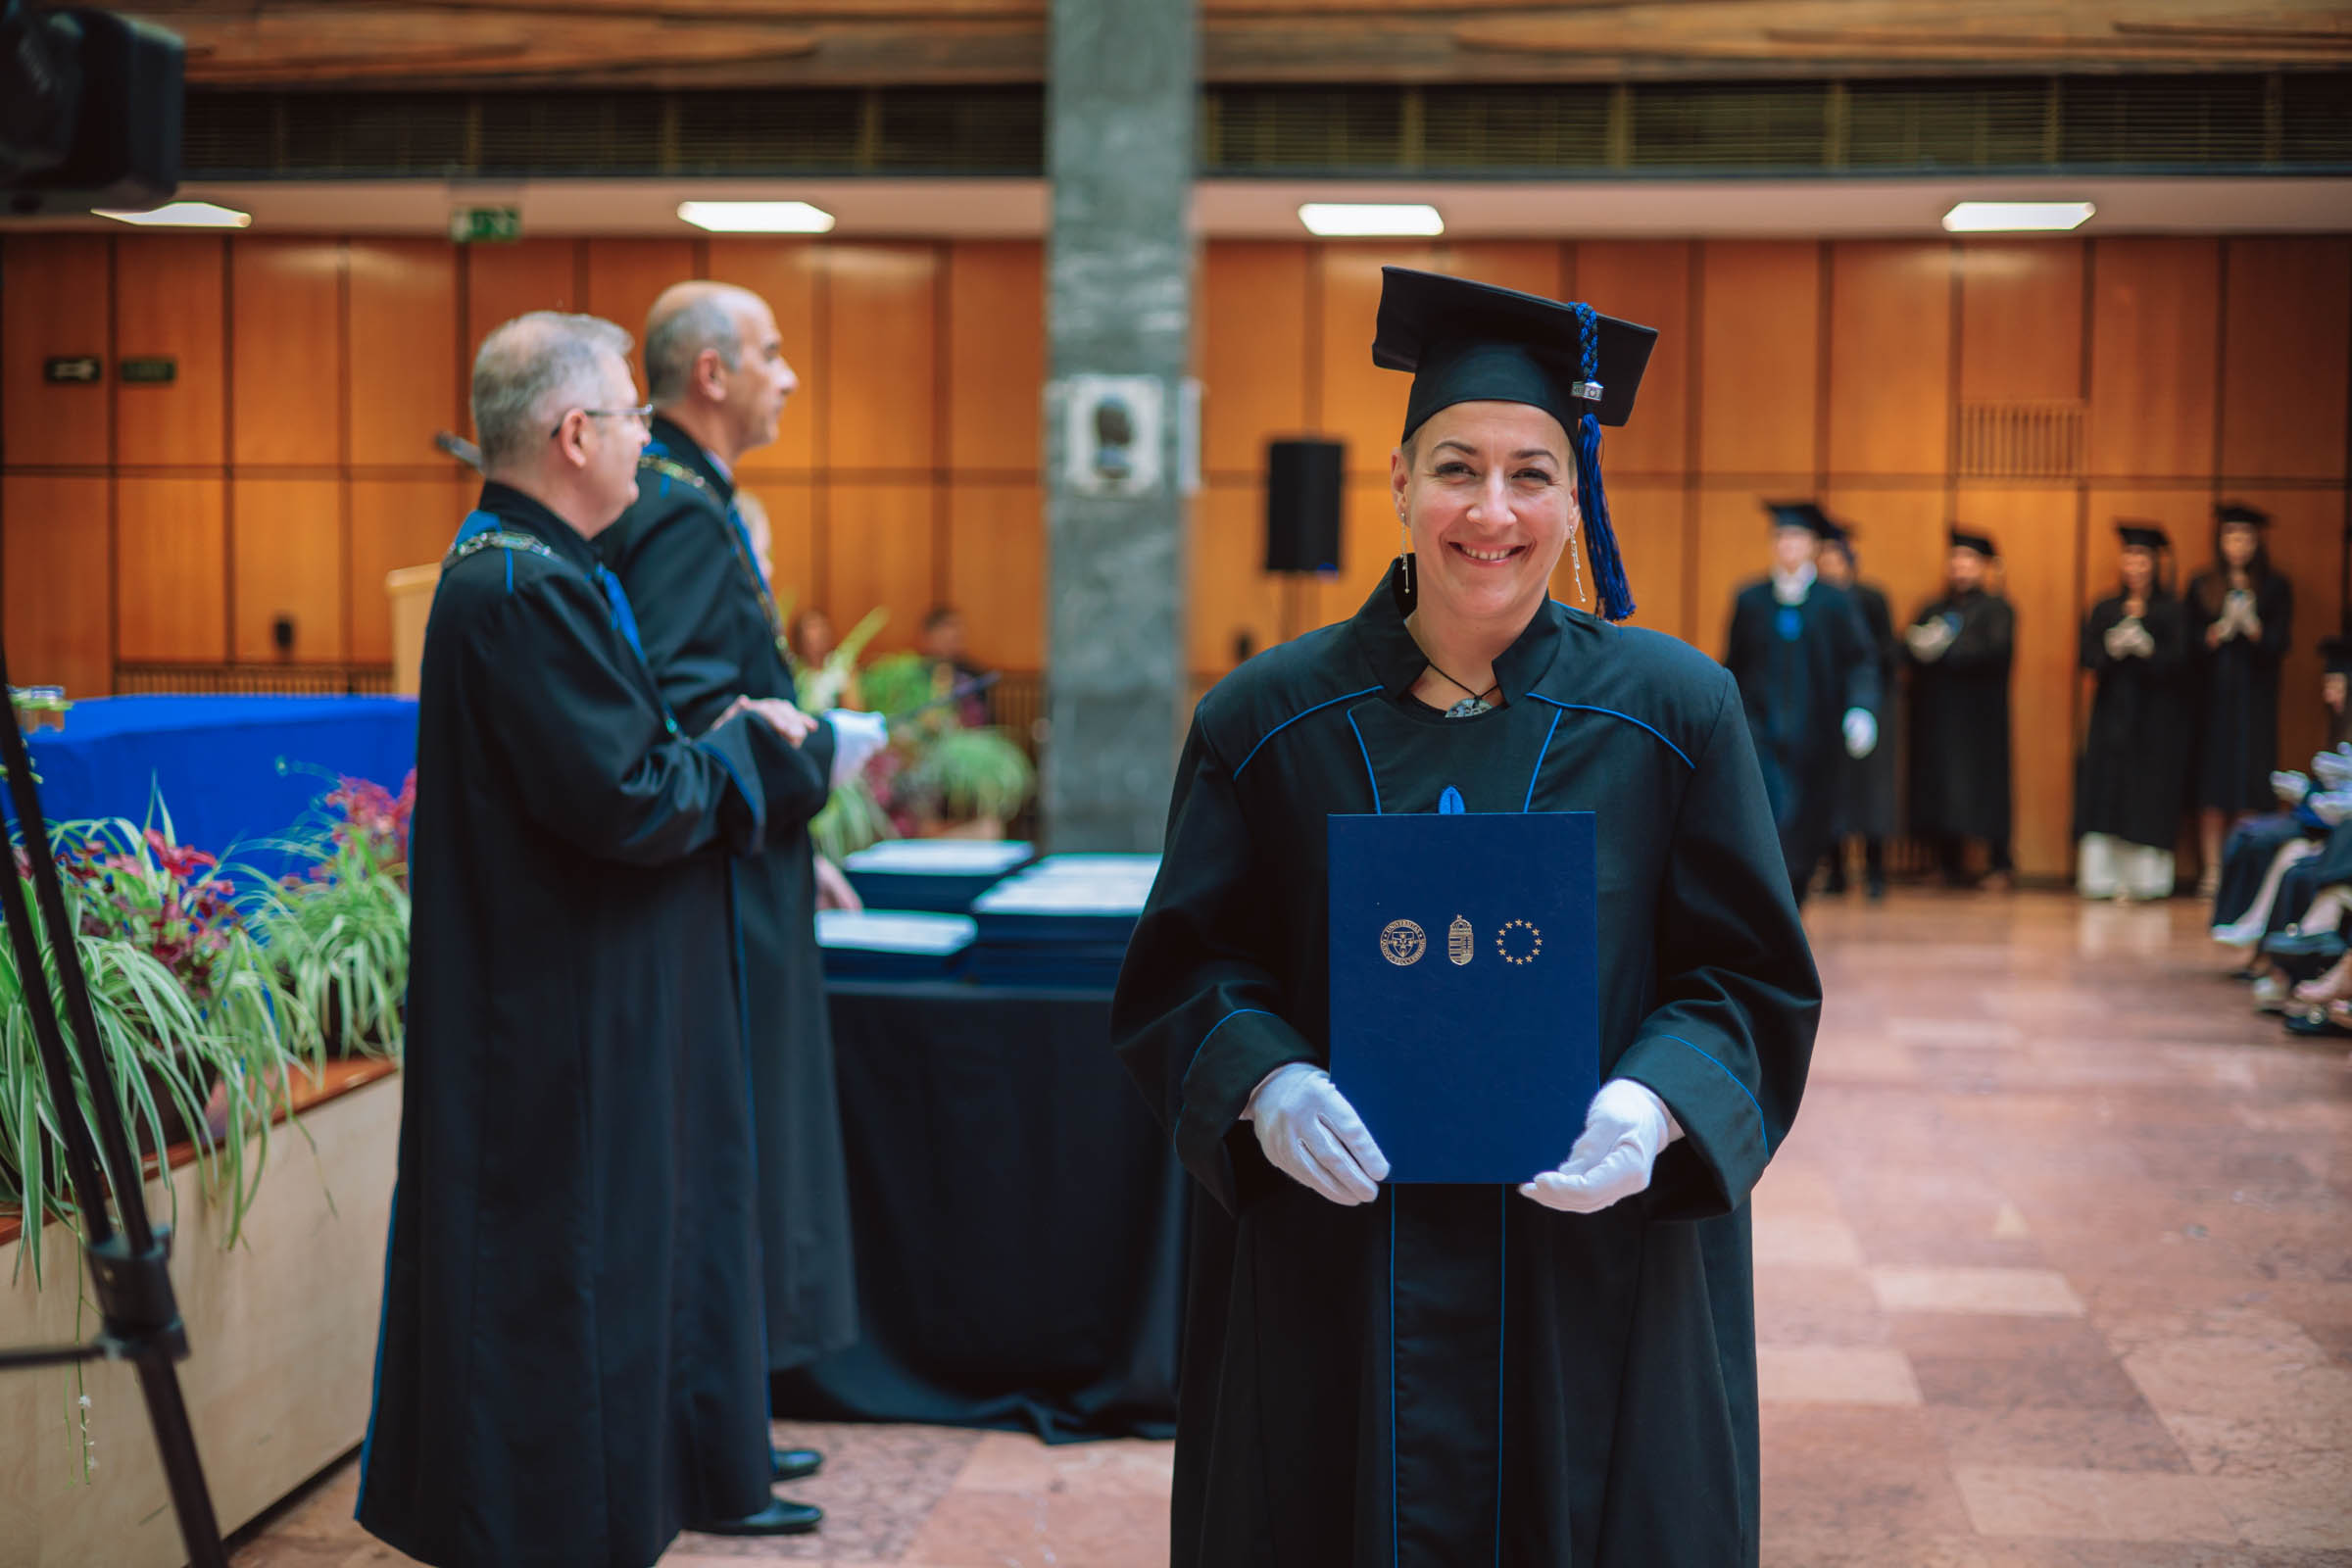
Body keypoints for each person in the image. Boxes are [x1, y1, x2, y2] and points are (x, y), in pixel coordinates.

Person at [1112, 268, 1816, 1566]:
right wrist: (1266, 1081)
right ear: (1397, 481)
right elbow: (1185, 969)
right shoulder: (1266, 722)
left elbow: (1748, 978)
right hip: (1339, 1269)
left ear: (1575, 496)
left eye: (1532, 474)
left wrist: (1655, 1103)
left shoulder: (1673, 715)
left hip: (1589, 1270)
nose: (1493, 511)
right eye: (1456, 469)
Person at [358, 312, 839, 1565]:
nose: (642, 442)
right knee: (551, 1278)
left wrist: (706, 745)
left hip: (557, 988)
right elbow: (627, 798)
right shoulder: (525, 588)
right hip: (547, 1009)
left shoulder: (531, 570)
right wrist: (747, 745)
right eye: (629, 418)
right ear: (575, 435)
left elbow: (616, 764)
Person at [598, 280, 888, 1530]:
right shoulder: (674, 504)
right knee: (727, 1158)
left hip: (748, 861)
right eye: (771, 353)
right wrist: (799, 751)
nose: (790, 375)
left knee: (744, 1158)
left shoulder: (686, 493)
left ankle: (732, 1433)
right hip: (711, 883)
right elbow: (679, 708)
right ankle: (712, 1447)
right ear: (711, 372)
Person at [1721, 500, 1878, 906]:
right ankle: (1772, 903)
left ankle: (1795, 899)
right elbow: (1733, 664)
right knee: (1772, 815)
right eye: (1781, 537)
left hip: (1816, 733)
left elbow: (1860, 661)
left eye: (1796, 537)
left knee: (1810, 822)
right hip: (1761, 730)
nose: (1787, 545)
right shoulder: (1751, 599)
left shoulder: (1835, 602)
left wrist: (1861, 709)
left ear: (1813, 545)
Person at [2074, 523, 2193, 901]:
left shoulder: (2172, 610)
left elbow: (2184, 662)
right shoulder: (2105, 607)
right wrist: (2111, 648)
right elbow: (2087, 657)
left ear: (2155, 562)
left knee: (2148, 789)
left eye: (2143, 557)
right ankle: (2101, 879)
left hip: (2155, 717)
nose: (2135, 565)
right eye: (2129, 556)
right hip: (2112, 714)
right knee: (2105, 787)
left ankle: (2145, 881)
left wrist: (2148, 649)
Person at [2191, 502, 2293, 898]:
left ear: (2257, 542)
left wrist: (2253, 629)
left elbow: (2280, 645)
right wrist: (2215, 633)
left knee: (2250, 781)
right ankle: (2213, 869)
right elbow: (2186, 647)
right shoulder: (2203, 584)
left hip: (2255, 700)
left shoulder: (2274, 586)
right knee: (2212, 783)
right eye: (2231, 536)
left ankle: (2243, 869)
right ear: (2220, 541)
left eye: (2246, 537)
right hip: (2213, 699)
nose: (2238, 544)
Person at [1905, 529, 2016, 888]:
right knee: (1939, 785)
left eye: (1968, 559)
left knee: (1986, 785)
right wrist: (1920, 645)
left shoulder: (1997, 608)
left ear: (1983, 566)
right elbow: (1907, 647)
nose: (1960, 566)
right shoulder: (1934, 607)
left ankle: (2000, 863)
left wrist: (1949, 649)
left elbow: (1996, 651)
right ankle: (1946, 863)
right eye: (1955, 558)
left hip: (1980, 718)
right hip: (1939, 714)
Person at [1814, 522, 1898, 899]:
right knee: (1833, 792)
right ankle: (1836, 871)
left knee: (1872, 792)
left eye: (1837, 558)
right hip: (1827, 706)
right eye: (1825, 558)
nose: (1831, 565)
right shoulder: (1817, 601)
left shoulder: (1870, 598)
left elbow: (1886, 651)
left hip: (1869, 705)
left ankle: (1876, 871)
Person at [918, 604, 994, 723]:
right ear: (928, 637)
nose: (953, 643)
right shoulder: (915, 672)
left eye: (957, 638)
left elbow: (984, 720)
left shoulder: (974, 674)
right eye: (945, 639)